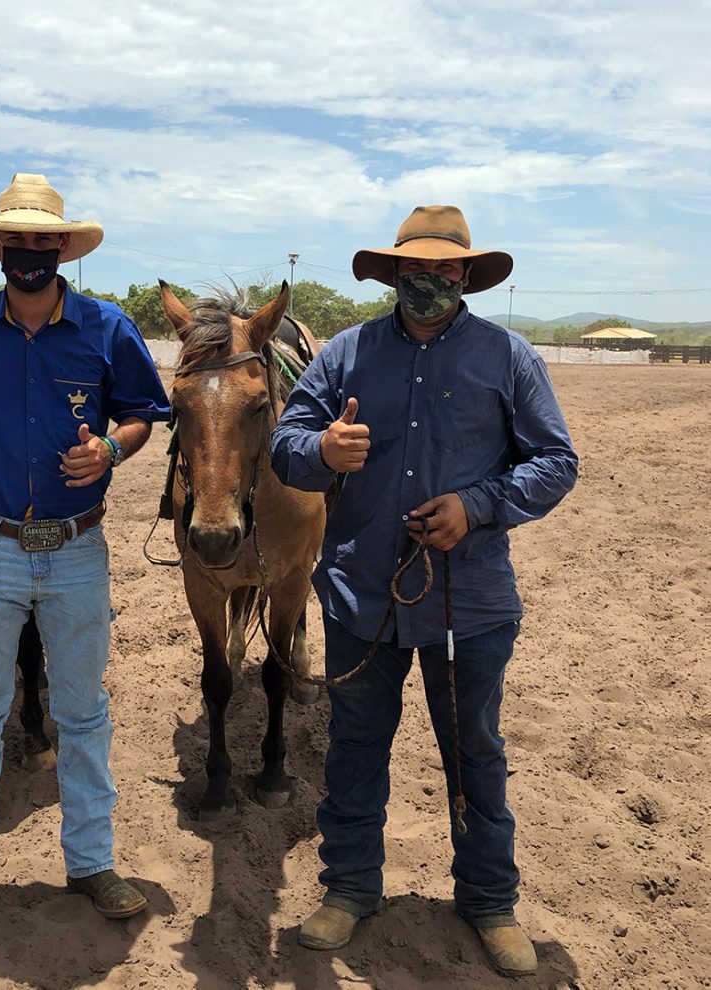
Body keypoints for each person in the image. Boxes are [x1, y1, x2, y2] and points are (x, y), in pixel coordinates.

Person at [269, 205, 578, 977]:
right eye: (418, 268)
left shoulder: (509, 358)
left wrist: (476, 506)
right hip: (359, 594)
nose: (430, 280)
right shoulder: (346, 354)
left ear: (466, 276)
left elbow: (555, 462)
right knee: (354, 747)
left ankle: (488, 901)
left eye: (446, 269)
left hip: (467, 601)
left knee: (475, 752)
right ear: (394, 272)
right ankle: (348, 888)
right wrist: (322, 449)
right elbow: (284, 446)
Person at [0, 173, 170, 942]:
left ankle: (91, 863)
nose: (28, 252)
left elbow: (142, 414)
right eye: (14, 241)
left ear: (62, 248)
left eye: (42, 241)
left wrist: (112, 449)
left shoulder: (107, 327)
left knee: (83, 714)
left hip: (76, 550)